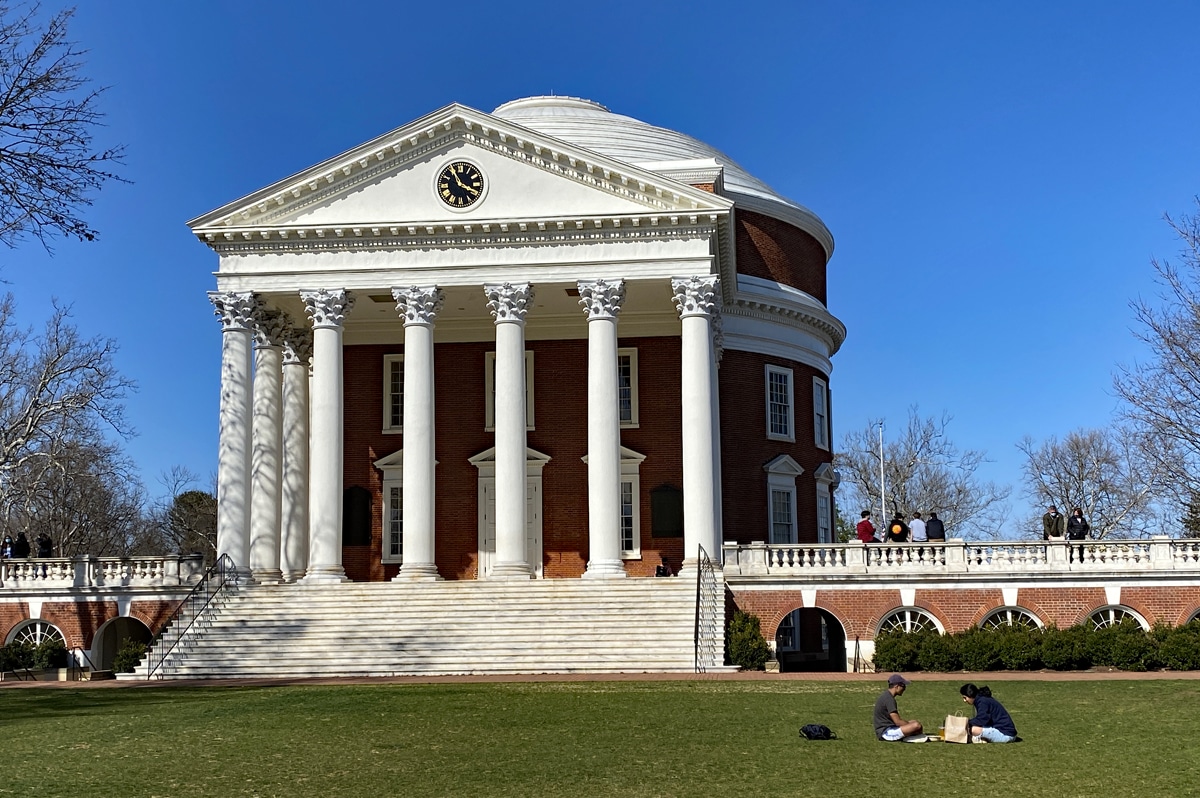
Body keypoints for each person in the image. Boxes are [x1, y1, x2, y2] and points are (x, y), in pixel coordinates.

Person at [874, 673, 923, 741]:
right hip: (886, 732)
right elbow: (898, 722)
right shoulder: (889, 699)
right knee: (916, 725)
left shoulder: (886, 696)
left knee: (914, 722)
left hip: (888, 728)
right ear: (896, 686)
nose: (904, 688)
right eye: (903, 686)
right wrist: (910, 726)